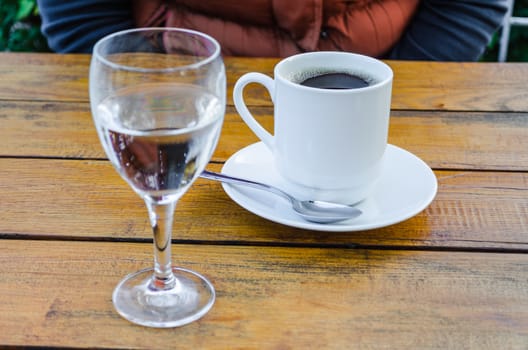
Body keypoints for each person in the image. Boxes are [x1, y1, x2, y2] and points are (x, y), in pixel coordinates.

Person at [37, 0, 508, 61]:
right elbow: (81, 13)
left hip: (391, 100)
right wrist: (146, 97)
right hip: (174, 104)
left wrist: (390, 101)